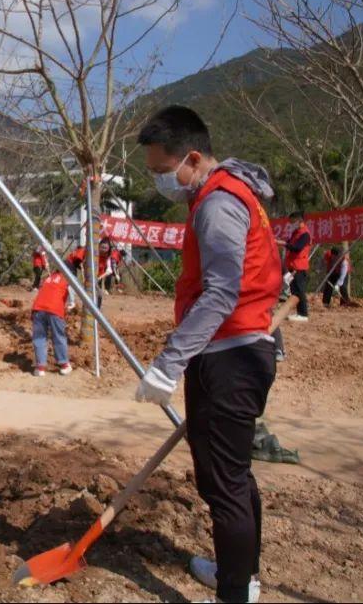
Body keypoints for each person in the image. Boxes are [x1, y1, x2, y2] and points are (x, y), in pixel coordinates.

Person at [134, 105, 280, 604]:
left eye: (163, 170)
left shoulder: (218, 203)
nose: (160, 182)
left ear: (192, 158)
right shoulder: (233, 193)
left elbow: (221, 293)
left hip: (230, 358)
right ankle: (240, 574)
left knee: (225, 485)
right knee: (231, 476)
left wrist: (168, 364)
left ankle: (234, 593)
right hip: (235, 351)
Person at [31, 270, 72, 377]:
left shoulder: (48, 278)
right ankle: (64, 365)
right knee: (58, 336)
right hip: (55, 309)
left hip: (38, 308)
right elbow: (72, 291)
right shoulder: (68, 277)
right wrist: (72, 303)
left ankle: (40, 368)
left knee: (39, 337)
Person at [282, 211, 311, 321]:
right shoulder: (296, 233)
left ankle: (303, 314)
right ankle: (299, 312)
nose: (291, 224)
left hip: (300, 266)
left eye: (292, 222)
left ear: (299, 221)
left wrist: (283, 244)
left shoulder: (305, 234)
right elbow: (289, 243)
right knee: (294, 290)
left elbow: (297, 248)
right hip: (292, 265)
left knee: (300, 290)